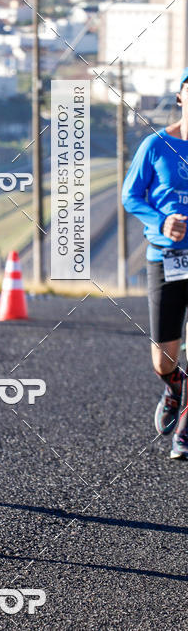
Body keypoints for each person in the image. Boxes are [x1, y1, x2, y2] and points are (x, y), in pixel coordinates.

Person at [122, 67, 188, 459]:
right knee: (162, 359)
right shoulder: (156, 145)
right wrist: (163, 221)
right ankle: (173, 385)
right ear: (181, 96)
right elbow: (132, 197)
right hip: (166, 258)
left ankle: (185, 433)